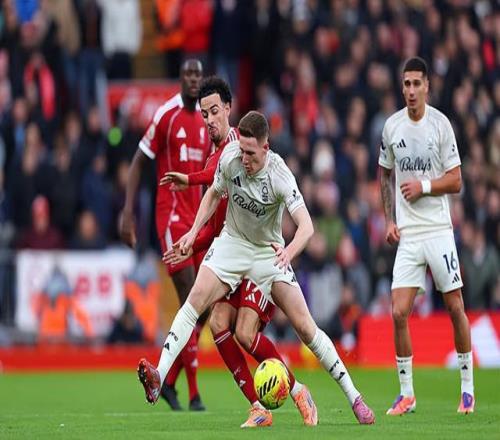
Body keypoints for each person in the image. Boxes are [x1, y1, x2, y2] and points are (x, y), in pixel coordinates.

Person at [137, 110, 375, 426]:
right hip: (233, 244)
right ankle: (160, 374)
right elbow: (213, 194)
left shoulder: (280, 174)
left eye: (251, 153)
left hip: (267, 253)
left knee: (305, 328)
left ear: (266, 147)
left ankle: (354, 398)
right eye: (242, 151)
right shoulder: (230, 158)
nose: (244, 159)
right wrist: (193, 233)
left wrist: (288, 252)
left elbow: (306, 226)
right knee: (196, 303)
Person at [161, 76, 318, 428]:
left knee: (244, 332)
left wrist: (189, 179)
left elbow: (213, 181)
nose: (209, 120)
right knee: (218, 324)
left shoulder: (237, 147)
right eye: (204, 114)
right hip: (231, 251)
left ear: (228, 109)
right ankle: (258, 407)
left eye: (214, 111)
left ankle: (297, 391)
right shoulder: (218, 156)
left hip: (257, 253)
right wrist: (193, 241)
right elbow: (217, 217)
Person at [379, 57, 474, 416]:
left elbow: (457, 180)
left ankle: (467, 389)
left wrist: (424, 186)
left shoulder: (440, 125)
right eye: (406, 84)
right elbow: (384, 173)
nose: (411, 90)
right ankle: (407, 394)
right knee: (398, 311)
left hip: (437, 230)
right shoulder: (392, 127)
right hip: (409, 234)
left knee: (455, 307)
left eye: (417, 83)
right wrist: (389, 220)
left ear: (427, 87)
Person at [119, 59, 210, 411]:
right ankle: (194, 394)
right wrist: (128, 211)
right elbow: (137, 162)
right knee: (191, 299)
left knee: (204, 307)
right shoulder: (166, 115)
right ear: (180, 79)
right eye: (188, 74)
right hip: (171, 220)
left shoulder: (205, 121)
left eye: (198, 75)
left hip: (197, 222)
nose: (193, 79)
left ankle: (169, 383)